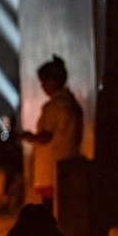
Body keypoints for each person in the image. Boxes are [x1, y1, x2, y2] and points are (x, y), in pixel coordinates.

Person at [21, 55, 83, 207]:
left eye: (43, 82)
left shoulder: (53, 107)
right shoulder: (73, 105)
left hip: (50, 169)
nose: (42, 87)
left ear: (52, 81)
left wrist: (27, 136)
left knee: (51, 210)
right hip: (68, 165)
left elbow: (45, 137)